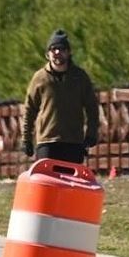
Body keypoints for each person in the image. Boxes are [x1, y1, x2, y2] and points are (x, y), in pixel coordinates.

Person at [23, 29, 98, 165]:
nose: (57, 53)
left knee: (70, 185)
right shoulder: (40, 78)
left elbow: (92, 107)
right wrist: (26, 139)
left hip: (73, 142)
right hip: (47, 142)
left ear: (69, 53)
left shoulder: (80, 77)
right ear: (47, 54)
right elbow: (29, 110)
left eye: (62, 49)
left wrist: (91, 134)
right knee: (47, 183)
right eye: (53, 49)